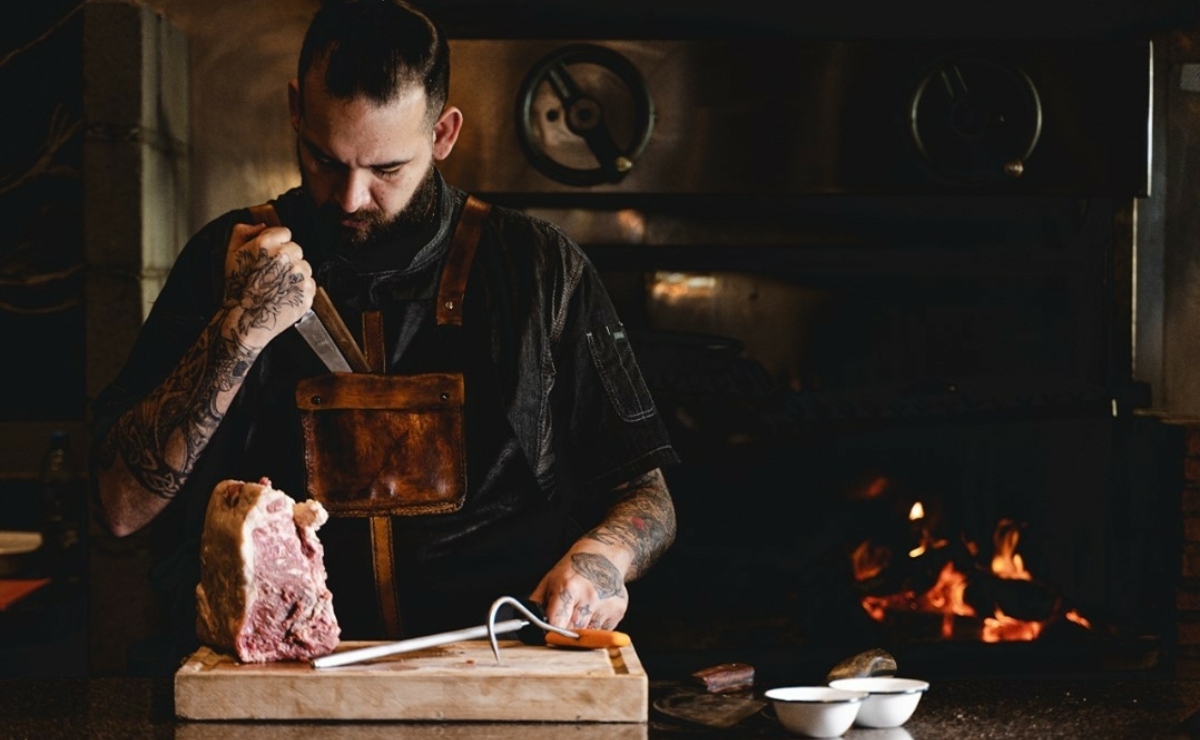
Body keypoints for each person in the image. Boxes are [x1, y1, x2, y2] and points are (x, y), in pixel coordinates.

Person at [90, 0, 678, 667]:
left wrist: (603, 560)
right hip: (278, 684)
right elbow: (117, 508)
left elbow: (646, 496)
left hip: (495, 669)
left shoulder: (541, 268)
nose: (348, 197)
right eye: (324, 159)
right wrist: (238, 332)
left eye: (386, 170)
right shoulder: (225, 260)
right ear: (295, 108)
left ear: (444, 133)